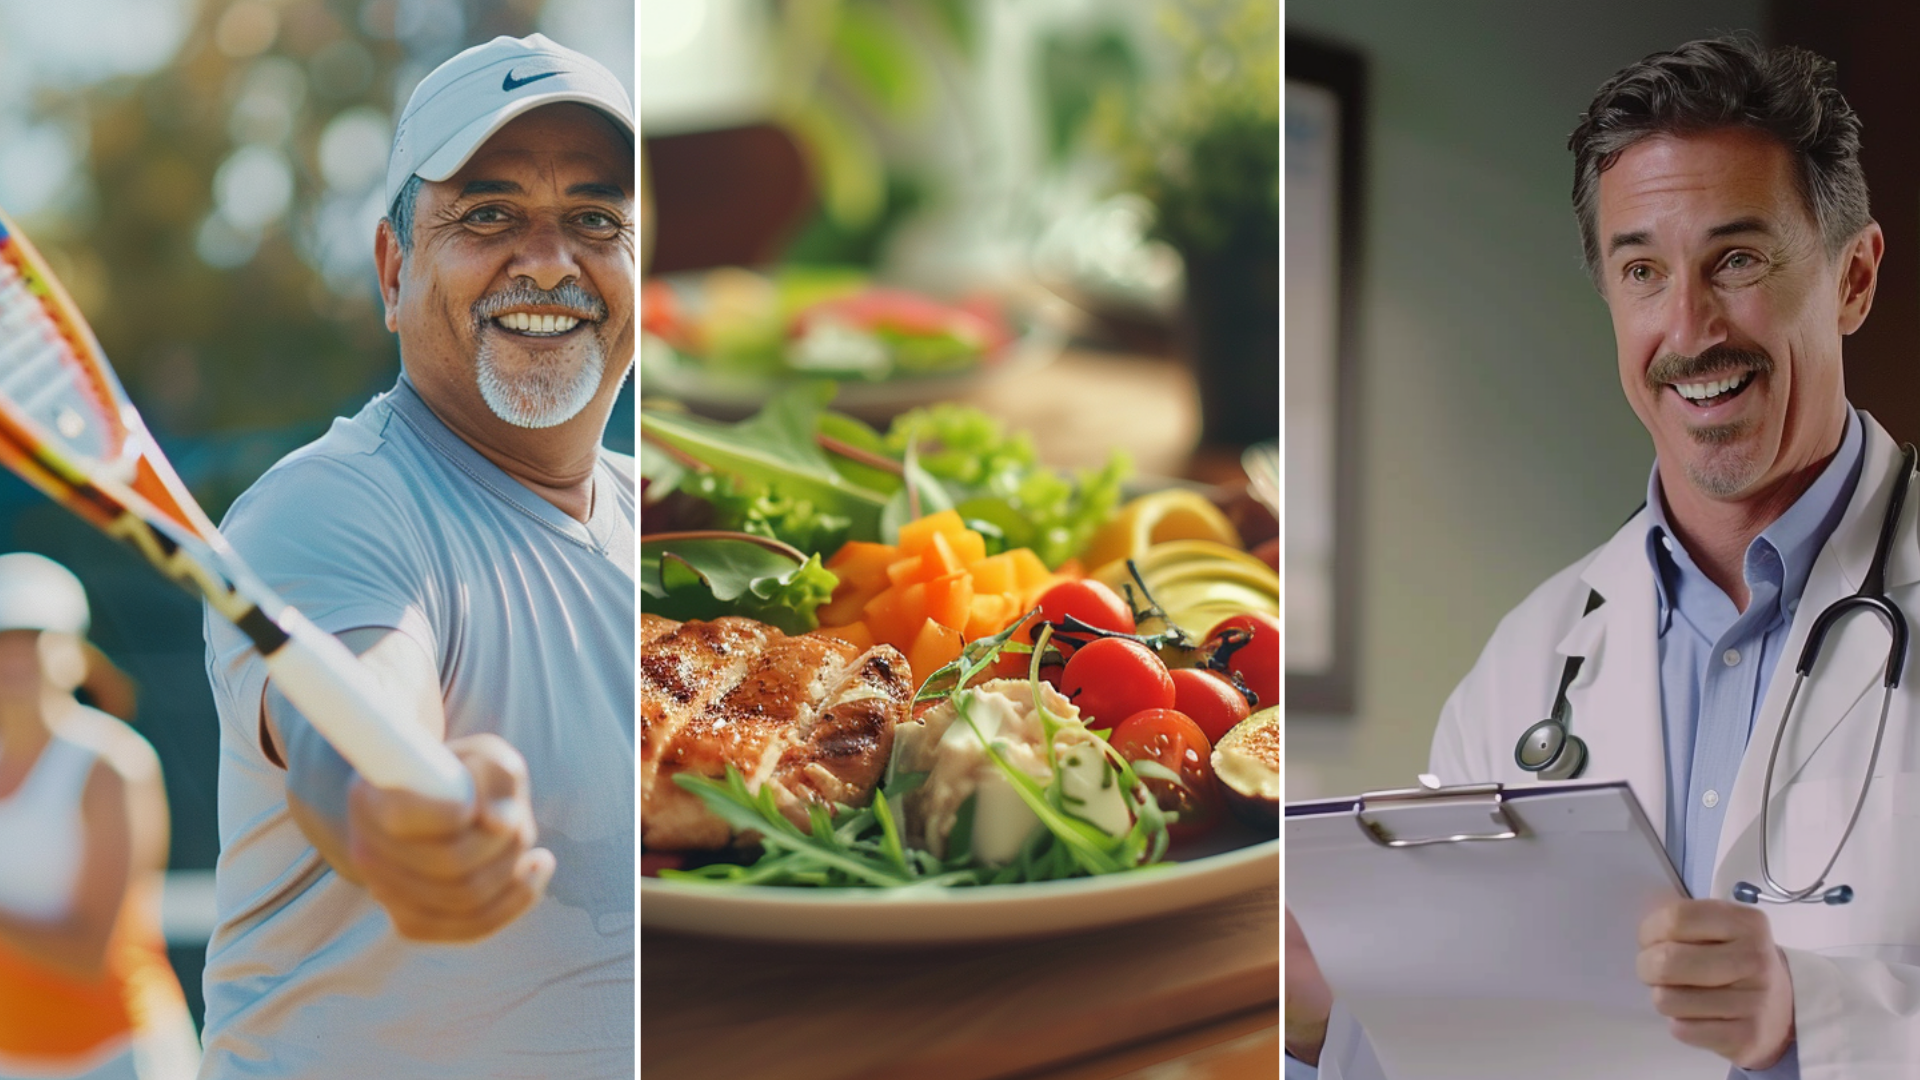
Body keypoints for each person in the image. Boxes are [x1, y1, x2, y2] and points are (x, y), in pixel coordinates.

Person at [1287, 35, 1920, 1079]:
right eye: (1642, 270)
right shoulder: (1528, 664)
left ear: (1854, 279)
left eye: (1739, 260)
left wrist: (1813, 1014)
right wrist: (1323, 1022)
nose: (1689, 327)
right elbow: (1477, 1043)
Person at [196, 34, 635, 1078]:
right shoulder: (328, 508)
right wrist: (390, 804)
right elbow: (347, 705)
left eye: (595, 219)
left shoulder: (656, 523)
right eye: (487, 215)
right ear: (395, 271)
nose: (548, 258)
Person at [0, 553, 200, 1080]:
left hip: (117, 1057)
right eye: (2, 640)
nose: (14, 657)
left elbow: (89, 953)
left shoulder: (113, 764)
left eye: (34, 637)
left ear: (75, 654)